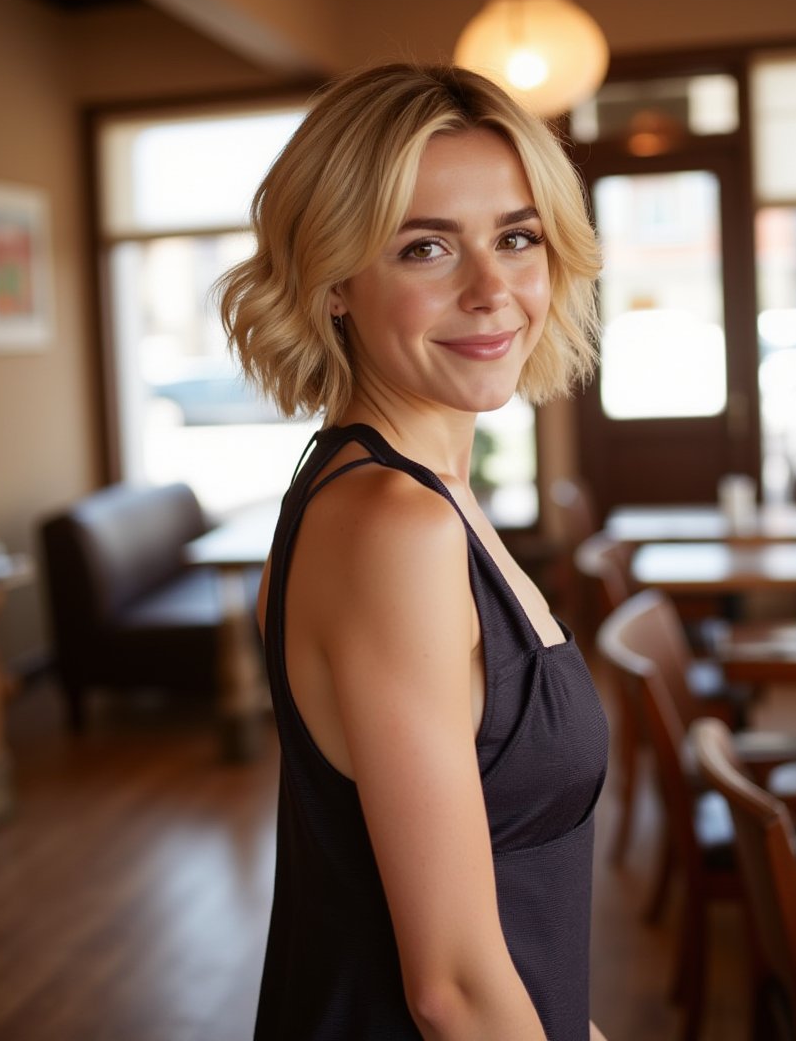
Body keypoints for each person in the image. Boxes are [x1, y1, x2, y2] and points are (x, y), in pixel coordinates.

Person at [217, 62, 609, 1041]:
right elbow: (453, 991)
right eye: (425, 247)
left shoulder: (426, 495)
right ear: (336, 280)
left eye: (515, 237)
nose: (490, 289)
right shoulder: (392, 525)